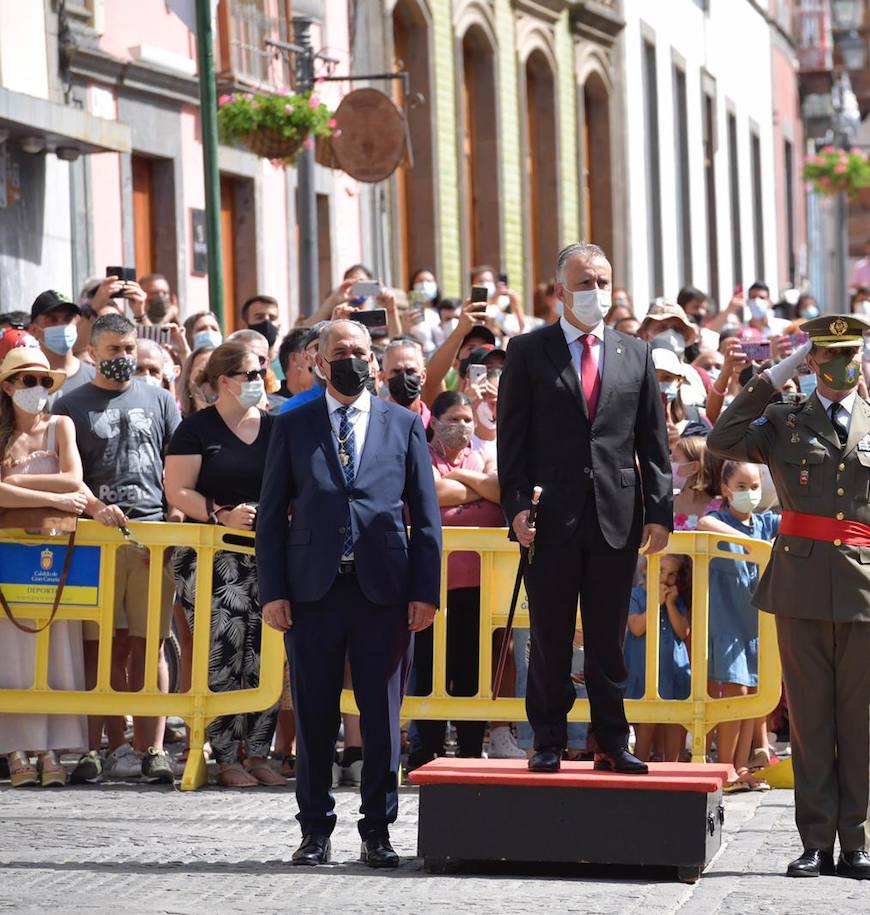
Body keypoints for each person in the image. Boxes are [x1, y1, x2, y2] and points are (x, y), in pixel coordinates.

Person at [708, 314, 870, 879]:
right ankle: (815, 842)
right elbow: (722, 438)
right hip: (800, 587)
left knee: (858, 719)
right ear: (814, 360)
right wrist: (776, 373)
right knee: (809, 721)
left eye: (851, 351)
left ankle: (856, 844)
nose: (843, 362)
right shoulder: (783, 418)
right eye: (830, 353)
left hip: (867, 585)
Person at [257, 318, 442, 868]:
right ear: (318, 360)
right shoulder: (292, 424)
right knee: (314, 715)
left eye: (362, 352)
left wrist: (425, 591)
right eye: (342, 352)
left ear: (376, 361)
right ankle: (314, 830)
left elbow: (426, 518)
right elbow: (270, 517)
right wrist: (274, 590)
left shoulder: (403, 424)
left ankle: (378, 831)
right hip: (313, 592)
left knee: (382, 717)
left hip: (383, 592)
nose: (354, 361)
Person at [496, 242, 672, 775]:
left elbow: (653, 440)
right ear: (559, 292)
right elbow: (513, 441)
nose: (596, 291)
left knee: (608, 637)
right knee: (549, 634)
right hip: (551, 517)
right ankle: (547, 737)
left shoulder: (634, 352)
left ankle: (611, 739)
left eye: (603, 280)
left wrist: (660, 511)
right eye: (585, 281)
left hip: (616, 515)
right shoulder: (529, 351)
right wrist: (517, 507)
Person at [52, 313, 181, 784]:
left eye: (129, 349)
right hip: (94, 540)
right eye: (113, 351)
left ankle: (155, 750)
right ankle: (97, 748)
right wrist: (91, 507)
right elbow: (68, 474)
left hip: (152, 538)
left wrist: (175, 517)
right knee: (100, 649)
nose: (124, 358)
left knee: (152, 646)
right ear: (92, 353)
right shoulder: (69, 405)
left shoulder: (161, 399)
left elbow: (177, 464)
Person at [164, 341, 283, 787]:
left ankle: (258, 753)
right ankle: (225, 753)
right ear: (225, 381)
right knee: (225, 653)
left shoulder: (277, 427)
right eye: (251, 374)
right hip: (214, 558)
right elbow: (178, 489)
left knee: (268, 651)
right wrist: (220, 513)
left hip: (269, 555)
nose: (259, 381)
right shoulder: (196, 430)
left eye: (261, 373)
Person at [0, 346, 90, 787]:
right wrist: (52, 496)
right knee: (11, 650)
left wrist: (17, 482)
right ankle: (16, 748)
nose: (37, 388)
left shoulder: (61, 425)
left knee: (56, 646)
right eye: (27, 380)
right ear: (8, 386)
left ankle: (52, 748)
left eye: (43, 381)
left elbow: (74, 478)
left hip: (52, 550)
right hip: (8, 552)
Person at [411, 390, 512, 767]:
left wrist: (460, 477)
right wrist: (479, 489)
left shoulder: (483, 455)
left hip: (478, 586)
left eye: (468, 419)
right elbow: (429, 492)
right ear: (434, 422)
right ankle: (427, 749)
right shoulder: (421, 454)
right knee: (429, 669)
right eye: (453, 419)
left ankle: (470, 749)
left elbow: (500, 491)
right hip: (432, 584)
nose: (462, 426)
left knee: (471, 669)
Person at [696, 461, 778, 789]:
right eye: (741, 487)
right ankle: (724, 766)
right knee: (735, 691)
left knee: (755, 696)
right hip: (726, 622)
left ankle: (740, 767)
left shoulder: (767, 522)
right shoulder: (719, 520)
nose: (749, 493)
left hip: (758, 625)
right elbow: (703, 522)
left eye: (755, 486)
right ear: (726, 489)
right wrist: (750, 545)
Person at [624, 554, 692, 764]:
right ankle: (639, 764)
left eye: (672, 574)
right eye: (660, 570)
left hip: (672, 671)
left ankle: (672, 765)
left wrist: (670, 604)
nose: (665, 578)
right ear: (645, 570)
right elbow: (636, 627)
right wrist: (656, 603)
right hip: (643, 671)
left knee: (674, 721)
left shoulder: (676, 600)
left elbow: (683, 631)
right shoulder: (635, 595)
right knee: (646, 723)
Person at [28, 290, 96, 404]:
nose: (62, 326)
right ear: (34, 330)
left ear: (77, 322)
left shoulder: (95, 377)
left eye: (68, 318)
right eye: (52, 320)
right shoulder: (27, 380)